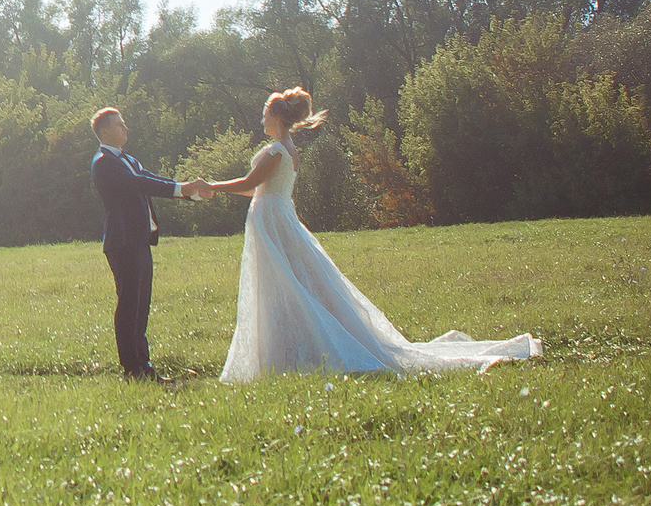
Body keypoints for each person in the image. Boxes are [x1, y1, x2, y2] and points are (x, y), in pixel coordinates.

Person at [203, 87, 539, 379]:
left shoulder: (277, 151)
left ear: (276, 117)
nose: (261, 120)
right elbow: (257, 189)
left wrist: (212, 186)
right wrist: (220, 189)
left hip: (273, 221)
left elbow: (249, 183)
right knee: (288, 282)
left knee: (287, 283)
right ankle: (284, 349)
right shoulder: (288, 151)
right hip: (275, 217)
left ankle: (298, 350)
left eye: (264, 115)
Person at [90, 106, 211, 381]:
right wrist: (182, 189)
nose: (126, 129)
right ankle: (132, 369)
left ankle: (145, 367)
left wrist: (189, 193)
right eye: (120, 125)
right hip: (123, 243)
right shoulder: (103, 163)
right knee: (130, 304)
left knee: (142, 305)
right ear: (104, 131)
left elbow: (152, 179)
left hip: (140, 241)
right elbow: (138, 184)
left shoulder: (128, 159)